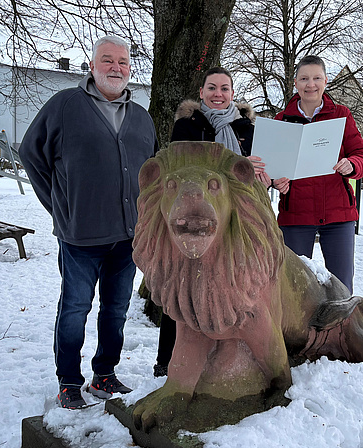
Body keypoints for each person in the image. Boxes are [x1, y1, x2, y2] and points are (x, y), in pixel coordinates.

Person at [19, 35, 157, 409]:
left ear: (130, 69)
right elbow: (31, 153)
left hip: (127, 237)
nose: (116, 68)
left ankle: (105, 374)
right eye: (107, 61)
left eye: (123, 62)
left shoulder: (142, 118)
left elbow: (153, 174)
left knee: (116, 310)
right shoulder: (65, 105)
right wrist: (59, 205)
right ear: (92, 66)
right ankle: (68, 381)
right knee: (75, 309)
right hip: (80, 237)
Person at [153, 66, 260, 377]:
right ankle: (168, 360)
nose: (218, 94)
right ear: (201, 93)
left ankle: (228, 355)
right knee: (183, 285)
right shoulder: (186, 126)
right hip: (195, 218)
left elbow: (257, 178)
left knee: (234, 283)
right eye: (212, 88)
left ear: (232, 93)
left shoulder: (247, 129)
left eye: (224, 88)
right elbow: (180, 169)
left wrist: (254, 168)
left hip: (235, 219)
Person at [262, 55, 363, 294]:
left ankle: (341, 330)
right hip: (296, 215)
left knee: (342, 287)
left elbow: (362, 154)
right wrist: (275, 180)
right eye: (304, 78)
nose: (311, 84)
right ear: (296, 83)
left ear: (326, 81)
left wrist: (351, 164)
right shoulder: (281, 120)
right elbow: (269, 168)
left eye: (317, 78)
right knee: (294, 287)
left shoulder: (341, 115)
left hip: (338, 214)